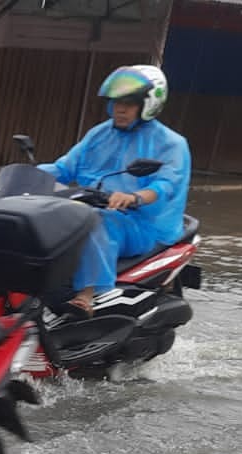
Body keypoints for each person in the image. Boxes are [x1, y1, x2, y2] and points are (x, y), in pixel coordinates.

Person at [39, 65, 190, 314]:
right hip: (89, 207)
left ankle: (87, 295)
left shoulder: (170, 144)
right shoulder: (99, 134)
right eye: (117, 102)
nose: (120, 109)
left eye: (129, 104)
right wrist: (29, 175)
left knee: (97, 221)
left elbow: (165, 185)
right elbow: (64, 167)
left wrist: (133, 197)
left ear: (149, 105)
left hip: (142, 224)